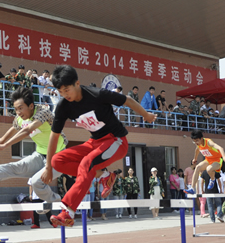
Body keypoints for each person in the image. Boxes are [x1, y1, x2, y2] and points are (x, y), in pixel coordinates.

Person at [41, 65, 156, 227]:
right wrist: (48, 167)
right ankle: (103, 176)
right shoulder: (63, 106)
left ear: (77, 83)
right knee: (57, 161)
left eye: (67, 90)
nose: (64, 95)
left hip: (116, 141)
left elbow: (127, 100)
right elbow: (54, 135)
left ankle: (68, 212)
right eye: (60, 91)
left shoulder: (97, 94)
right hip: (94, 143)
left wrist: (146, 115)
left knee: (87, 164)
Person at [0, 87, 66, 211]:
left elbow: (27, 130)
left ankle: (53, 200)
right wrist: (2, 139)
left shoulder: (43, 112)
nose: (18, 112)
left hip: (59, 157)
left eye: (21, 108)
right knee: (17, 166)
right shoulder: (20, 118)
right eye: (16, 109)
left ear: (31, 106)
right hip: (40, 155)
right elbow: (14, 127)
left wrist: (5, 145)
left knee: (35, 182)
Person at [188, 130, 225, 194]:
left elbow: (220, 148)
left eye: (197, 141)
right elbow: (197, 150)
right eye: (194, 141)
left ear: (201, 138)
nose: (196, 143)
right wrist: (195, 158)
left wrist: (224, 158)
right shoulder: (198, 145)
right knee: (197, 167)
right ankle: (192, 188)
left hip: (217, 161)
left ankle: (213, 179)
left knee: (209, 169)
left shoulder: (208, 142)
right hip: (208, 160)